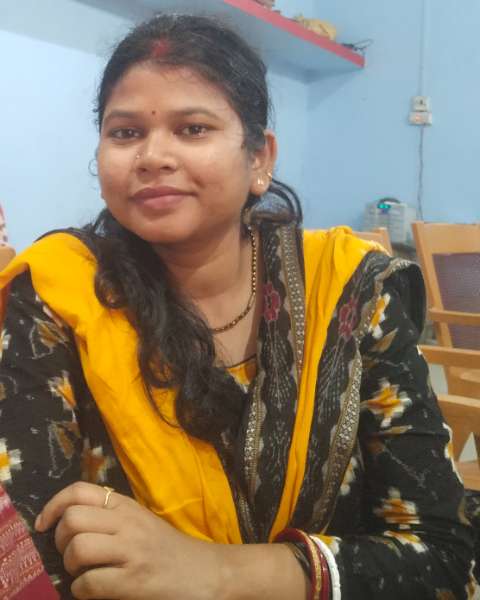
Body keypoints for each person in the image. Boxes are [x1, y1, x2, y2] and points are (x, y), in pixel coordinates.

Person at [0, 13, 476, 600]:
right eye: (125, 133)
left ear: (259, 159)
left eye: (193, 129)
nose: (153, 155)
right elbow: (28, 553)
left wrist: (215, 572)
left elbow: (441, 555)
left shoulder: (349, 292)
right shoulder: (60, 291)